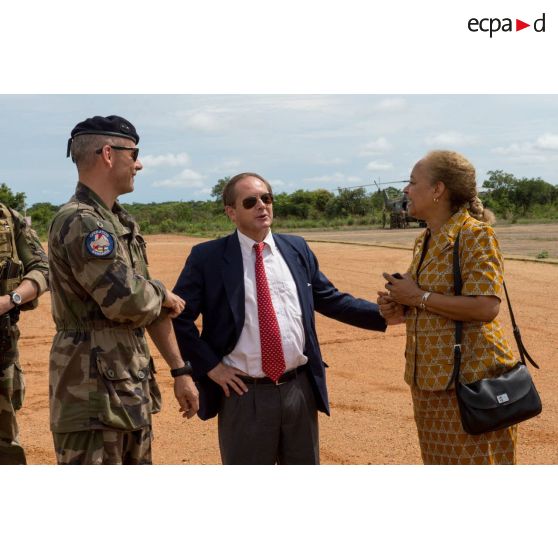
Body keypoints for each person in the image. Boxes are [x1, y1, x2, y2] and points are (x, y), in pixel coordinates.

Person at [172, 172, 388, 465]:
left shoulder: (296, 248)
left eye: (267, 198)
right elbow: (179, 318)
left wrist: (384, 314)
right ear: (231, 213)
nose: (262, 205)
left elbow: (330, 299)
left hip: (299, 390)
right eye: (250, 202)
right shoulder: (207, 257)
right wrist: (211, 367)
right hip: (243, 394)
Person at [48, 115, 199, 465]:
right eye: (134, 153)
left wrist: (180, 370)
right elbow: (127, 301)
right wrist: (160, 292)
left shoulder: (119, 221)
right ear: (107, 153)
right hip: (90, 395)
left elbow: (147, 302)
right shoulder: (81, 221)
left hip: (127, 386)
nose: (139, 163)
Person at [378, 150, 519, 465]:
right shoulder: (424, 239)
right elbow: (423, 300)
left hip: (470, 384)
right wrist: (397, 306)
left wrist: (417, 298)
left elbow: (486, 307)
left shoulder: (475, 236)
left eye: (413, 182)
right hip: (429, 383)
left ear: (438, 190)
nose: (406, 190)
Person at [0, 203, 49, 464]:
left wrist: (11, 299)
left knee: (6, 450)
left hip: (2, 354)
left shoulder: (8, 218)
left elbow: (43, 269)